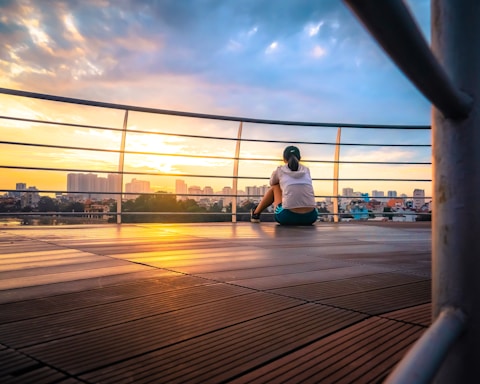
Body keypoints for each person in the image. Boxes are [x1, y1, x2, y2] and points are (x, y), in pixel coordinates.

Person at [250, 145, 318, 225]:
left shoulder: (280, 170)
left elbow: (272, 183)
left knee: (276, 187)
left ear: (284, 159)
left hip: (287, 217)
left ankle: (255, 214)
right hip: (311, 217)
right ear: (300, 158)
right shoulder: (306, 170)